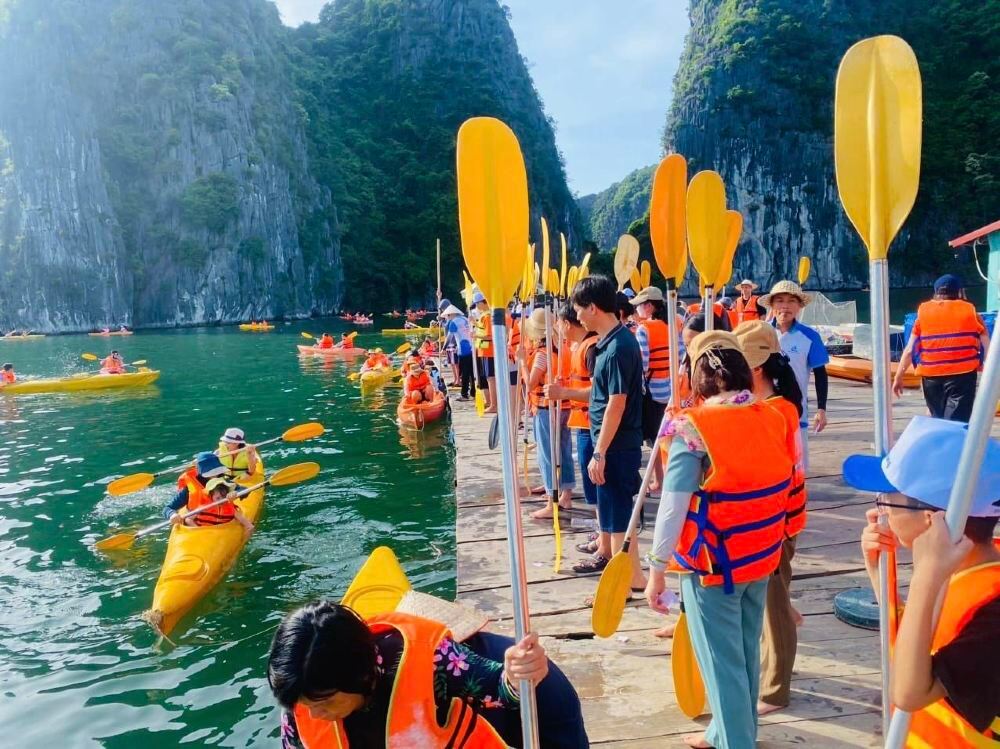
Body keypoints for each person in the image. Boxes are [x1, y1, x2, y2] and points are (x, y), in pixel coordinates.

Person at [645, 331, 793, 749]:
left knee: (722, 665)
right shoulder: (772, 416)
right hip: (761, 557)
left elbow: (673, 506)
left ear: (697, 380)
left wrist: (656, 570)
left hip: (713, 566)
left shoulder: (692, 428)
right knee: (745, 653)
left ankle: (736, 742)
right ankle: (724, 732)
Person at [848, 416, 999, 745]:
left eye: (887, 501)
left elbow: (910, 692)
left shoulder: (992, 611)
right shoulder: (963, 571)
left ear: (932, 520)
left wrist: (924, 577)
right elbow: (922, 642)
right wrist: (879, 572)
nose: (881, 512)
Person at [268, 598, 589, 749]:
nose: (314, 714)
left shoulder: (428, 661)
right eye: (305, 704)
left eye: (324, 702)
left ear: (361, 677)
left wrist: (518, 673)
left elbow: (501, 689)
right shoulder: (302, 693)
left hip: (531, 703)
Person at [734, 321, 806, 714]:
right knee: (771, 599)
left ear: (757, 368)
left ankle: (776, 689)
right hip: (769, 518)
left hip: (776, 520)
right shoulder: (767, 406)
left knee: (773, 606)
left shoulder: (777, 411)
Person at [571, 275, 646, 594]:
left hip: (615, 445)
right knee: (618, 516)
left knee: (617, 517)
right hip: (613, 442)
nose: (576, 316)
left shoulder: (617, 348)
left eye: (578, 309)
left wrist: (599, 451)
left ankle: (621, 586)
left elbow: (617, 402)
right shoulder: (611, 342)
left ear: (593, 308)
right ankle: (633, 577)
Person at [545, 303, 607, 569]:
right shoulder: (579, 347)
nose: (557, 329)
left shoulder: (591, 348)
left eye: (559, 323)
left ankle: (605, 544)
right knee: (593, 487)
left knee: (598, 486)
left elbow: (598, 391)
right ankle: (602, 536)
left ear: (567, 324)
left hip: (592, 424)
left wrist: (564, 393)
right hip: (583, 423)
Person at [893, 274, 990, 422]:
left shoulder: (922, 314)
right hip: (962, 376)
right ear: (959, 292)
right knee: (957, 422)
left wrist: (898, 376)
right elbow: (988, 348)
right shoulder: (971, 313)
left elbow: (910, 350)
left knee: (937, 419)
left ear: (936, 292)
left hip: (931, 377)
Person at [760, 280, 828, 468]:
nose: (785, 306)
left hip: (796, 410)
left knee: (797, 465)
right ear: (772, 305)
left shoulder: (809, 336)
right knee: (767, 462)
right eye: (780, 301)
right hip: (763, 409)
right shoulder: (761, 333)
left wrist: (821, 409)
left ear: (799, 306)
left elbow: (820, 374)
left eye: (791, 301)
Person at [522, 308, 575, 521]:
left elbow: (531, 383)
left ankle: (551, 501)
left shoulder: (543, 354)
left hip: (547, 409)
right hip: (565, 407)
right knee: (564, 450)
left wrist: (521, 363)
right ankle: (566, 495)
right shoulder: (563, 348)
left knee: (547, 454)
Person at [631, 286, 683, 493]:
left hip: (654, 392)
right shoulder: (677, 322)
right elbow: (683, 355)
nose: (637, 310)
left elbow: (642, 364)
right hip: (676, 390)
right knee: (675, 437)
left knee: (655, 439)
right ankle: (672, 480)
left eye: (639, 306)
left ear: (649, 306)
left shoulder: (644, 330)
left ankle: (660, 480)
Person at [163, 452, 252, 531]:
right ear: (202, 473)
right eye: (211, 473)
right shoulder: (189, 489)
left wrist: (236, 493)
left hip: (224, 523)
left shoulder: (223, 480)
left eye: (217, 472)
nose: (215, 476)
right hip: (195, 524)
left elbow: (245, 490)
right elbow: (168, 508)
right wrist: (172, 515)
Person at [473, 291, 497, 414]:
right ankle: (491, 402)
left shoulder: (487, 316)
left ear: (483, 302)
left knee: (491, 378)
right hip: (484, 351)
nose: (477, 306)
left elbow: (489, 336)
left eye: (477, 303)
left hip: (489, 352)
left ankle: (494, 405)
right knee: (489, 378)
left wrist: (475, 335)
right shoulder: (484, 315)